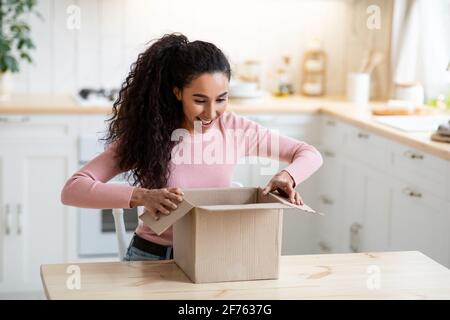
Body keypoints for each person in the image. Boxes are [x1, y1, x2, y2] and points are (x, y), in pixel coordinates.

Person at [61, 33, 323, 262]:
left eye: (221, 99)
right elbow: (73, 189)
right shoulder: (149, 135)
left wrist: (287, 175)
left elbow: (309, 153)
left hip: (214, 255)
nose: (211, 113)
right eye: (200, 100)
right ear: (178, 93)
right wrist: (141, 196)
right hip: (152, 255)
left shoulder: (235, 129)